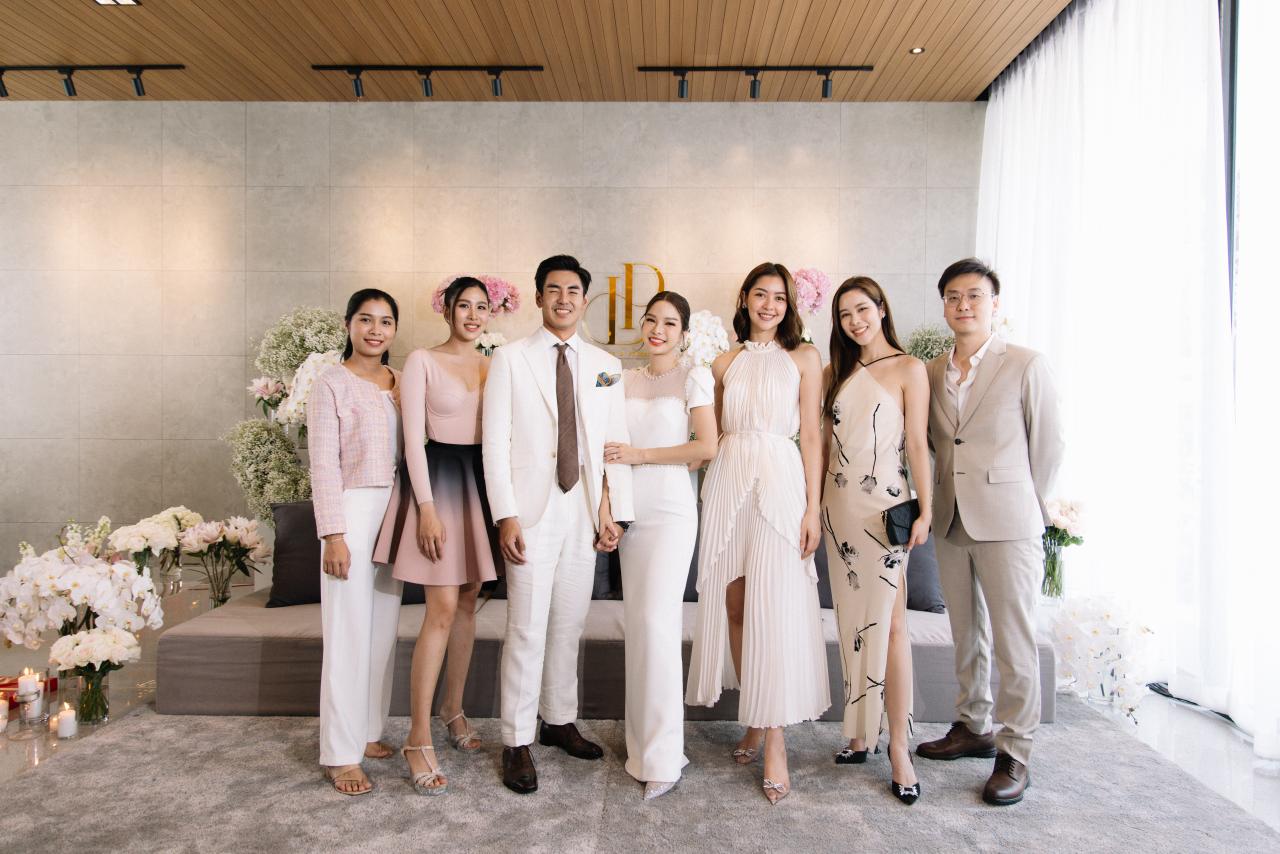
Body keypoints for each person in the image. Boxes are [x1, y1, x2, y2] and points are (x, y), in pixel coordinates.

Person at [482, 254, 635, 795]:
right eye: (553, 290)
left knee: (569, 624)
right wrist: (505, 516)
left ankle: (558, 720)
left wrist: (614, 512)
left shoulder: (606, 364)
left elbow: (613, 443)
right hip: (530, 511)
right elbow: (495, 443)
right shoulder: (510, 359)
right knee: (526, 627)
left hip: (583, 509)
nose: (563, 299)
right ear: (539, 297)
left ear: (584, 299)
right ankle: (516, 739)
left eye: (573, 290)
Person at [914, 258, 1064, 807]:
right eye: (953, 297)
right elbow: (933, 444)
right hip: (952, 518)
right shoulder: (931, 371)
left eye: (974, 295)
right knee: (966, 632)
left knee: (1013, 638)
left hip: (1009, 521)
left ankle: (1016, 748)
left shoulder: (1024, 363)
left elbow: (1048, 445)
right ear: (944, 306)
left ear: (994, 304)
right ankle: (972, 725)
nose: (963, 305)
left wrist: (1025, 503)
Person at [685, 262, 829, 804]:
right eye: (761, 295)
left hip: (781, 483)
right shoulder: (722, 362)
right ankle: (754, 712)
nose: (769, 305)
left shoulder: (805, 357)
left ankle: (776, 739)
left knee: (773, 605)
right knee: (737, 604)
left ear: (789, 306)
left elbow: (811, 435)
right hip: (728, 483)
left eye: (779, 298)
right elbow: (713, 433)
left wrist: (813, 508)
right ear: (744, 298)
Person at [373, 276, 502, 795]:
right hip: (439, 481)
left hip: (482, 482)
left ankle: (453, 708)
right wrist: (425, 508)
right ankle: (417, 736)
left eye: (481, 307)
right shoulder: (422, 361)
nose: (472, 315)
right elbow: (412, 442)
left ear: (490, 314)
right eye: (463, 306)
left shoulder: (495, 364)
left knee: (469, 601)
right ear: (446, 311)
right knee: (442, 608)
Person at [820, 276, 932, 806]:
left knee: (891, 625)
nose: (855, 321)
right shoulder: (833, 373)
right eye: (845, 315)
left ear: (882, 309)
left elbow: (917, 444)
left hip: (886, 508)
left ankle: (900, 748)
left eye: (862, 309)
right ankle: (859, 733)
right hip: (838, 509)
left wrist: (926, 508)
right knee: (852, 623)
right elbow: (822, 447)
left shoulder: (909, 368)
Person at [602, 291, 717, 801]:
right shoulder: (621, 380)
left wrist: (641, 455)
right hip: (632, 512)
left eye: (670, 323)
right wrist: (608, 510)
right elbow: (605, 451)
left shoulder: (695, 376)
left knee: (658, 624)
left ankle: (666, 756)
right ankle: (641, 749)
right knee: (638, 626)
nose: (658, 330)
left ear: (683, 333)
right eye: (651, 320)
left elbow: (706, 445)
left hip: (671, 511)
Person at [308, 288, 404, 796]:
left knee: (382, 628)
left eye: (385, 322)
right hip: (352, 510)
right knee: (347, 632)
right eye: (366, 319)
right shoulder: (331, 383)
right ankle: (340, 753)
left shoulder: (401, 381)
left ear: (394, 330)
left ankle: (367, 730)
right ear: (348, 325)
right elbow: (323, 464)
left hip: (397, 510)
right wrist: (333, 534)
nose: (375, 330)